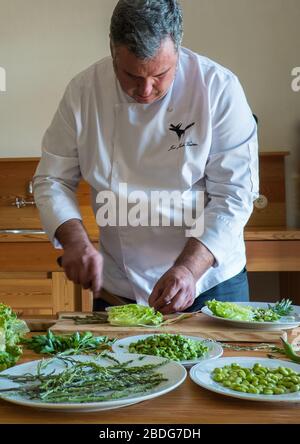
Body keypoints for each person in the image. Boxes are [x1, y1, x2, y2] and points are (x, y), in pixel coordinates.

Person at [33, 0, 259, 315]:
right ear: (112, 51)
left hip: (209, 282)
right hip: (119, 287)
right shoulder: (83, 92)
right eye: (131, 75)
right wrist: (75, 241)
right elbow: (52, 178)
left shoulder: (218, 89)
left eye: (160, 74)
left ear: (178, 50)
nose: (145, 89)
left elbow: (235, 194)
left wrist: (188, 270)